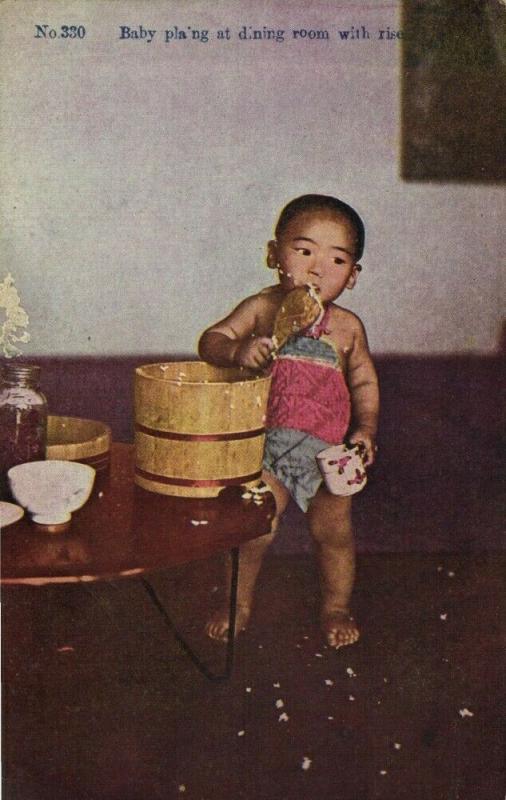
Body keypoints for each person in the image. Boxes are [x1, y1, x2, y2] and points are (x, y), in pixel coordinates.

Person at [198, 194, 379, 649]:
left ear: (353, 275)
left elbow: (364, 386)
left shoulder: (348, 329)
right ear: (273, 254)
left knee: (334, 534)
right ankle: (238, 602)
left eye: (337, 259)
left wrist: (365, 430)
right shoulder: (262, 308)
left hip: (328, 452)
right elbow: (212, 339)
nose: (319, 269)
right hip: (269, 448)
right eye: (304, 252)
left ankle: (336, 605)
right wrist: (237, 351)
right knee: (256, 526)